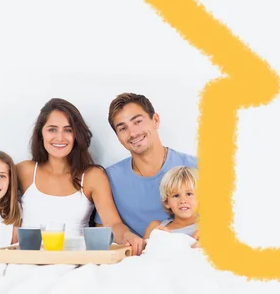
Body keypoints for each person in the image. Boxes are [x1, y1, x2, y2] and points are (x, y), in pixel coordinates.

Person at [16, 98, 145, 255]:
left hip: (75, 262)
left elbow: (112, 223)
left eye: (68, 130)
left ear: (76, 135)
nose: (60, 138)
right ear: (41, 134)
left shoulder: (92, 176)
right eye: (52, 129)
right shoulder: (25, 171)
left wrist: (127, 235)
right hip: (27, 260)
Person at [94, 93, 198, 238]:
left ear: (155, 120)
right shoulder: (108, 179)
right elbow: (103, 231)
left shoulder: (197, 168)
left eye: (137, 122)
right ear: (118, 137)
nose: (133, 133)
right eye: (122, 128)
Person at [143, 166, 199, 248]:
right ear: (167, 202)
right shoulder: (156, 227)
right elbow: (143, 255)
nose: (183, 200)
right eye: (176, 195)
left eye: (189, 194)